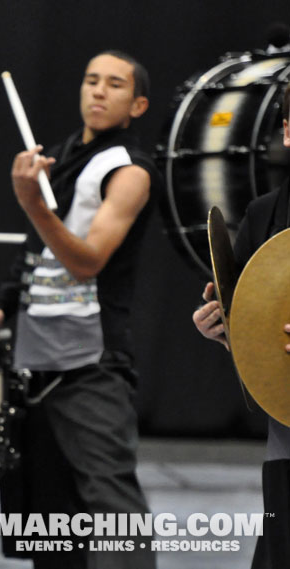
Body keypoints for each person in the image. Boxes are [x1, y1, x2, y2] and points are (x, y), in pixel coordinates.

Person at [0, 51, 159, 568]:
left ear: (137, 104)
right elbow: (39, 252)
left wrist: (33, 203)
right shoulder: (61, 156)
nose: (98, 91)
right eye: (91, 79)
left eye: (115, 84)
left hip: (90, 362)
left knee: (111, 508)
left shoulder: (132, 171)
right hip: (36, 357)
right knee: (47, 514)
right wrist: (3, 305)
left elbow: (88, 260)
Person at [192, 81, 290, 569]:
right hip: (286, 439)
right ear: (288, 132)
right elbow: (257, 332)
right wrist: (227, 330)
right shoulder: (263, 213)